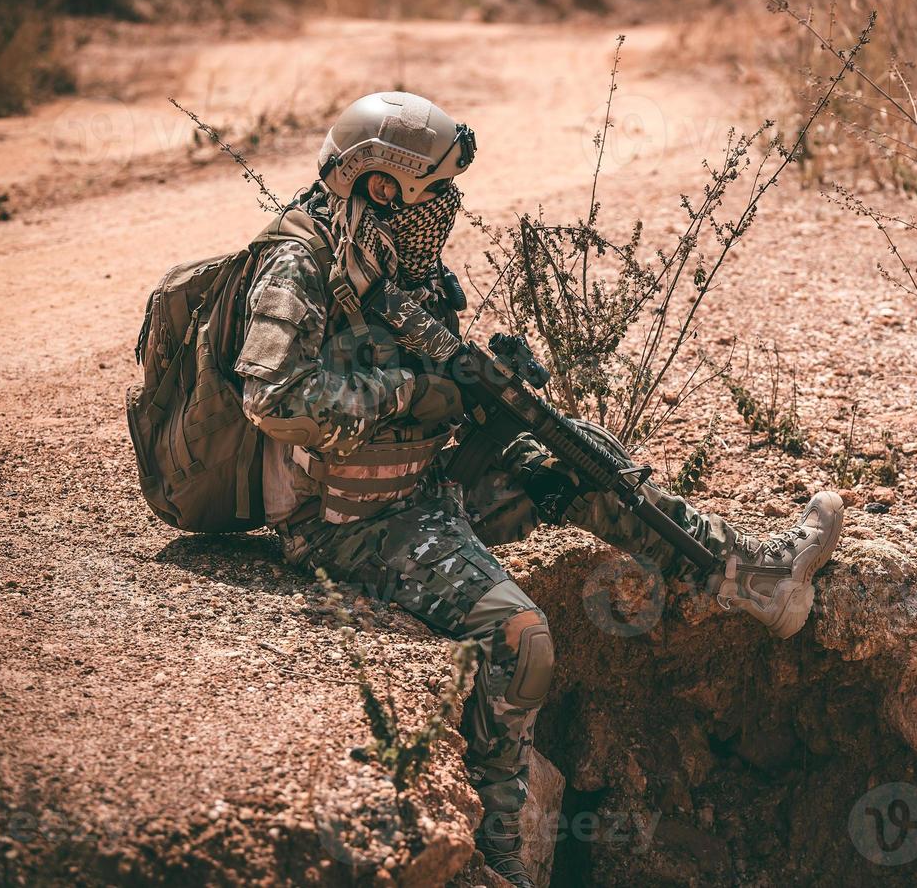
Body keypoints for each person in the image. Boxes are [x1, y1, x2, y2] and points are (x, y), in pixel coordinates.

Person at [233, 92, 845, 886]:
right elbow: (273, 398)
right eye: (430, 196)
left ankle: (754, 578)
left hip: (423, 486)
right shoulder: (300, 262)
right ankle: (495, 862)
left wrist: (479, 392)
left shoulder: (387, 257)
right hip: (351, 522)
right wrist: (412, 394)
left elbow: (427, 369)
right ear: (378, 186)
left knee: (581, 464)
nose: (443, 214)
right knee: (522, 644)